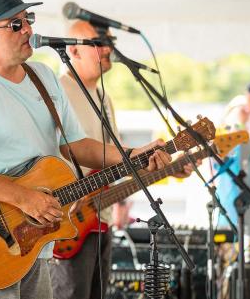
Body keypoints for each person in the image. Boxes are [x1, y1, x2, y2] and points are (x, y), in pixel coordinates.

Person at [0, 0, 172, 299]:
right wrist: (23, 198)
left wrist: (133, 155)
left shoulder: (43, 77)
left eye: (28, 20)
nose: (28, 30)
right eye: (15, 24)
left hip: (37, 240)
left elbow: (75, 145)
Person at [49, 21, 196, 299]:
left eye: (108, 42)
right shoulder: (58, 92)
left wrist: (170, 168)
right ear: (73, 51)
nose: (107, 49)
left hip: (100, 221)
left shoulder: (104, 98)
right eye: (97, 43)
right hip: (66, 222)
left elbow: (113, 162)